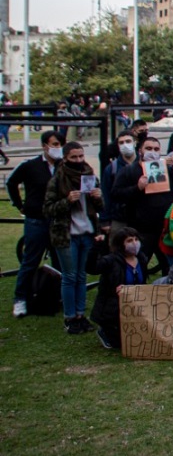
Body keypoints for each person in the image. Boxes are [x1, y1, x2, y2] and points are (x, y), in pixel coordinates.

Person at [43, 141, 103, 334]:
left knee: (81, 275)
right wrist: (67, 201)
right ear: (66, 158)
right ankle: (70, 317)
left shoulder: (90, 175)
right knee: (69, 276)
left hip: (86, 233)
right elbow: (48, 209)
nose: (78, 160)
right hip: (66, 234)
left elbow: (100, 207)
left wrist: (98, 197)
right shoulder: (57, 179)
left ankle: (80, 313)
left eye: (81, 156)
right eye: (73, 157)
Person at [113, 135, 173, 275]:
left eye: (156, 149)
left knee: (170, 268)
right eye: (148, 148)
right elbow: (116, 194)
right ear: (140, 151)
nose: (152, 152)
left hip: (164, 230)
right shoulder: (129, 171)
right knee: (137, 267)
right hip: (141, 231)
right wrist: (137, 188)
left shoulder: (165, 170)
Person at [8, 130, 65, 317]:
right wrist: (19, 204)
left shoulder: (62, 166)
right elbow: (11, 182)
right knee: (31, 259)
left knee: (58, 260)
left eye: (60, 145)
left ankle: (56, 295)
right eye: (54, 144)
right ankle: (20, 298)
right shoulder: (30, 166)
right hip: (36, 219)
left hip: (57, 219)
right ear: (44, 146)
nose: (57, 148)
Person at [86, 227, 148, 350]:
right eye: (129, 241)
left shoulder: (141, 259)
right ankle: (105, 331)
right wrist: (95, 248)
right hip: (112, 308)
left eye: (136, 239)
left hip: (134, 306)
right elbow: (91, 268)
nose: (134, 243)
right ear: (121, 244)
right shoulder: (111, 260)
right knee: (120, 344)